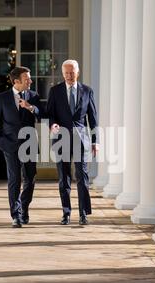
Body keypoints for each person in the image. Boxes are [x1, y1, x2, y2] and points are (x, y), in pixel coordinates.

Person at [47, 60, 99, 226]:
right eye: (66, 73)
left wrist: (95, 142)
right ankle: (66, 213)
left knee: (82, 177)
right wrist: (52, 124)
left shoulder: (87, 91)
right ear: (63, 74)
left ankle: (83, 214)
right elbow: (50, 113)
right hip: (61, 138)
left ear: (78, 72)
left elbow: (93, 119)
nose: (69, 76)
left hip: (81, 139)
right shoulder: (55, 91)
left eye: (72, 72)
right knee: (64, 178)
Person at [0, 67, 43, 228]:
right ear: (16, 81)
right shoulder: (2, 98)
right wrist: (1, 142)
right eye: (27, 79)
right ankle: (16, 215)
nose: (30, 81)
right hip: (10, 144)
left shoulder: (33, 96)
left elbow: (42, 115)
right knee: (14, 179)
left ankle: (24, 209)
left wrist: (31, 108)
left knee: (30, 178)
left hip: (29, 144)